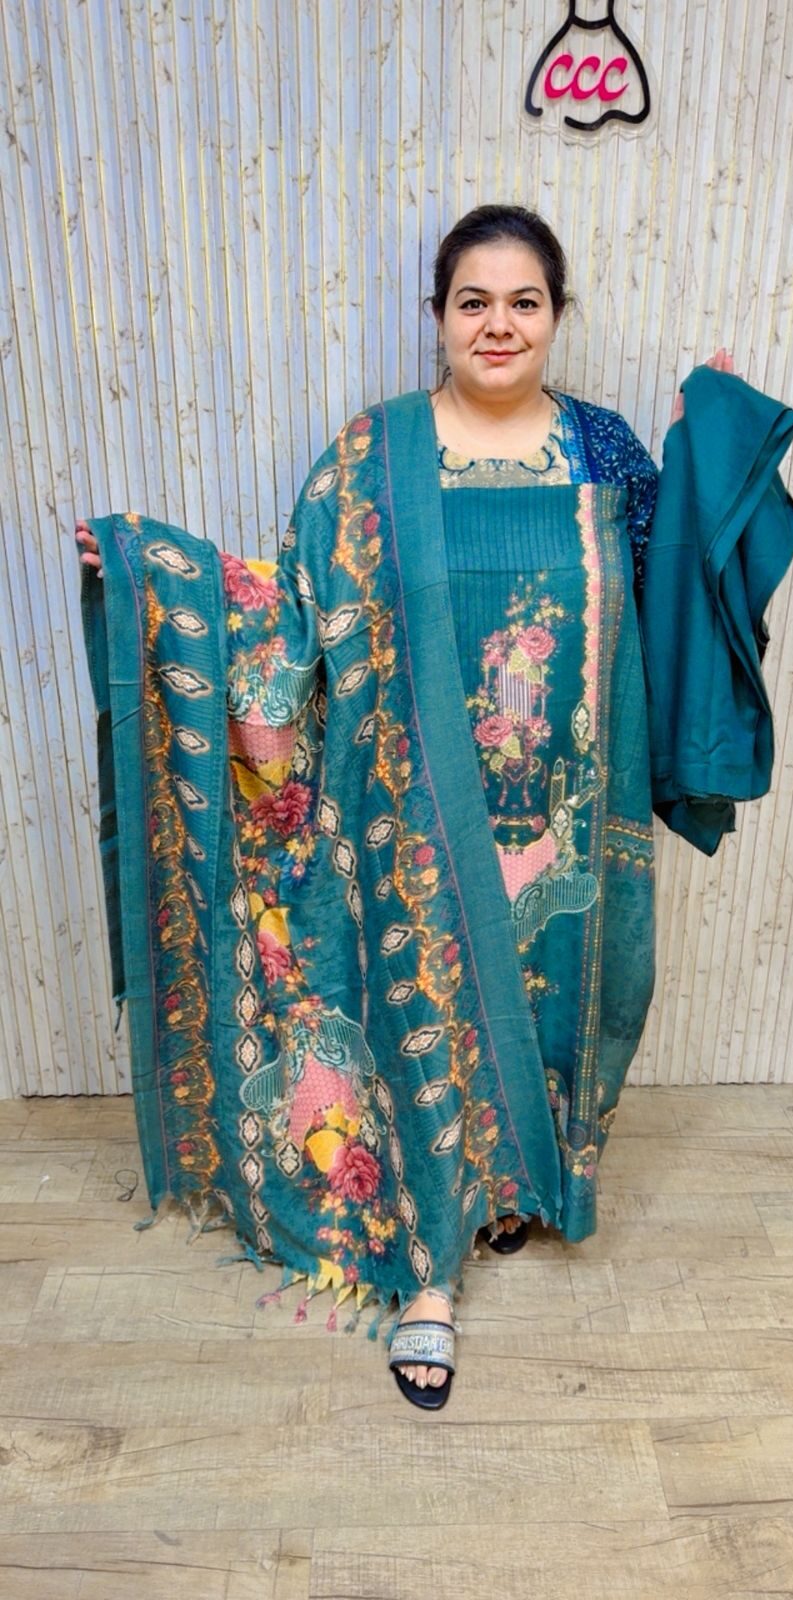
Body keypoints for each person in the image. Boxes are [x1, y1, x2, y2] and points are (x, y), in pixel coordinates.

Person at [76, 205, 739, 1412]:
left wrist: (712, 457)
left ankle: (507, 1185)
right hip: (411, 814)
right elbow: (292, 611)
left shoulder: (605, 450)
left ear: (557, 315)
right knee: (422, 1018)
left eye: (524, 301)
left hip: (564, 818)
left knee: (564, 1010)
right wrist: (158, 586)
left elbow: (676, 596)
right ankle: (427, 1275)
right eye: (473, 301)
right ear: (437, 315)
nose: (499, 324)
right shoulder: (371, 457)